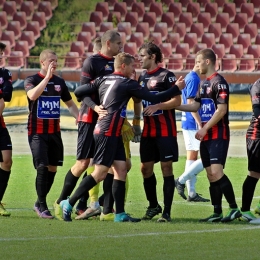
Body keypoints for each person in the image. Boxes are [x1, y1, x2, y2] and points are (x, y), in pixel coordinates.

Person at [60, 52, 185, 222]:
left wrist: (95, 106)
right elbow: (153, 97)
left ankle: (119, 213)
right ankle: (69, 202)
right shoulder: (127, 83)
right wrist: (176, 88)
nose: (135, 69)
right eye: (132, 66)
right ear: (123, 66)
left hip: (112, 132)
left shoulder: (104, 79)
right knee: (100, 173)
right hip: (107, 132)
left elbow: (79, 91)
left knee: (121, 169)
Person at [53, 30, 124, 220]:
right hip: (89, 117)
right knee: (83, 163)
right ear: (108, 43)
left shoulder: (117, 64)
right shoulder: (92, 62)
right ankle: (61, 201)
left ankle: (106, 210)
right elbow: (81, 92)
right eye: (118, 44)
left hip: (108, 120)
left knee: (110, 165)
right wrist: (96, 107)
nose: (121, 47)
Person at [176, 48, 241, 223]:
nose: (196, 65)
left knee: (217, 172)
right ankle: (217, 211)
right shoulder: (203, 84)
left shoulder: (219, 83)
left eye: (198, 62)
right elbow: (194, 106)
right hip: (205, 136)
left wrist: (204, 128)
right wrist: (173, 106)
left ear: (207, 61)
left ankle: (234, 208)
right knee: (210, 175)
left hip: (218, 134)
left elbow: (221, 110)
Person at [24, 49, 79, 219]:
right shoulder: (31, 80)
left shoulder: (59, 82)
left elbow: (70, 103)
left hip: (54, 133)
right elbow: (32, 96)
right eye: (51, 61)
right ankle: (42, 205)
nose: (54, 64)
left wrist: (79, 118)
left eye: (56, 61)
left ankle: (39, 202)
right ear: (42, 62)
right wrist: (46, 78)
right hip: (37, 132)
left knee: (53, 169)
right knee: (42, 167)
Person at [136, 42, 182, 222]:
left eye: (142, 55)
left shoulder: (167, 76)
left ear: (152, 56)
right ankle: (154, 205)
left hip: (165, 131)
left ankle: (167, 212)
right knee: (145, 169)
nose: (140, 59)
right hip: (148, 132)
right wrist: (136, 121)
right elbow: (138, 101)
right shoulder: (141, 77)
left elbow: (177, 100)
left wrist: (158, 106)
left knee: (166, 168)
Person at [175, 66, 210, 202]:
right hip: (192, 122)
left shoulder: (190, 77)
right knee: (208, 156)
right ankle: (181, 180)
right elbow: (190, 102)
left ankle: (192, 192)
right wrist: (200, 123)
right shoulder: (194, 78)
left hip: (187, 122)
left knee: (192, 155)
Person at [240, 78, 260, 222]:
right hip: (257, 135)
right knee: (254, 173)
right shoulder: (258, 85)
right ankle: (245, 211)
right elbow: (257, 111)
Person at [0, 42, 13, 216]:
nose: (1, 55)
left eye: (1, 52)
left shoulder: (5, 73)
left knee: (7, 161)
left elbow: (5, 97)